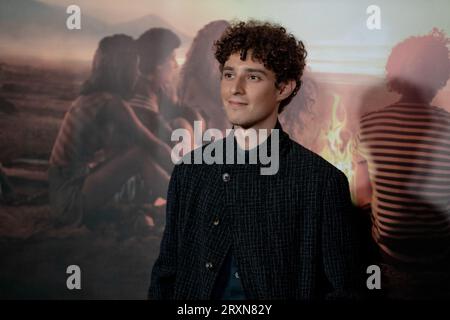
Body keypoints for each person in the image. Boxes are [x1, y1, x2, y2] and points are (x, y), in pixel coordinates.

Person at [149, 20, 361, 300]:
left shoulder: (320, 182)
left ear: (283, 88)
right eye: (228, 74)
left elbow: (343, 290)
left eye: (253, 77)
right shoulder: (190, 172)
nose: (234, 88)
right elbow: (167, 275)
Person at [353, 28, 450, 299]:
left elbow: (362, 196)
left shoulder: (368, 124)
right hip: (440, 251)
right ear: (440, 77)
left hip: (389, 250)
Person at [48, 34, 172, 228]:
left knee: (133, 155)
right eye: (135, 67)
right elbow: (154, 147)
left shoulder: (94, 97)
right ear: (123, 69)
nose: (138, 74)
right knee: (138, 156)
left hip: (66, 190)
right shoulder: (111, 104)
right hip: (69, 198)